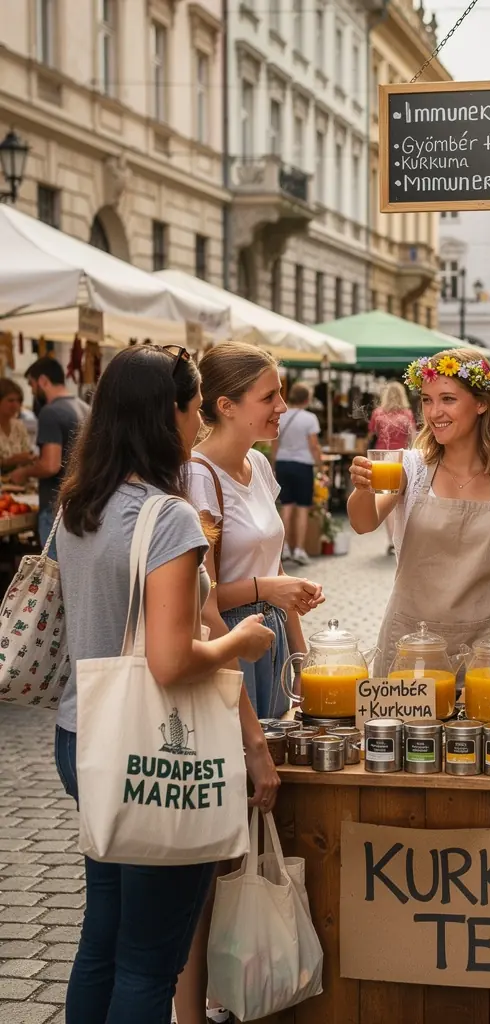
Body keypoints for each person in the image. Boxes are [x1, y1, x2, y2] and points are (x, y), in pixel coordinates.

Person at [52, 345, 277, 1024]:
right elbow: (172, 660)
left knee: (102, 937)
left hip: (83, 734)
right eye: (193, 408)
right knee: (149, 962)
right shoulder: (168, 516)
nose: (197, 422)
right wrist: (241, 642)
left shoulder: (79, 504)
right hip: (153, 748)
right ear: (167, 415)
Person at [348, 348, 490, 665]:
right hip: (410, 647)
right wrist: (362, 489)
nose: (434, 412)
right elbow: (363, 523)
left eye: (448, 399)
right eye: (427, 400)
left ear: (481, 403)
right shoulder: (408, 468)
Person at [187, 342, 325, 722]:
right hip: (227, 638)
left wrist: (301, 658)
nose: (282, 406)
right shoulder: (198, 476)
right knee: (244, 750)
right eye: (269, 397)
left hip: (271, 634)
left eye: (280, 393)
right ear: (226, 406)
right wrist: (268, 588)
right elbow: (201, 598)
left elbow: (273, 566)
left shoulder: (258, 463)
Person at [9, 356, 89, 542]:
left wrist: (23, 472)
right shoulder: (85, 408)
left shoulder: (50, 412)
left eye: (32, 384)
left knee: (52, 561)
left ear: (43, 381)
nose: (32, 391)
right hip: (80, 505)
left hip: (55, 508)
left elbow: (50, 465)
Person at [272, 381, 323, 565]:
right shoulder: (310, 418)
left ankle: (284, 548)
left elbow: (274, 443)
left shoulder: (281, 416)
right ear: (307, 399)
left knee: (286, 506)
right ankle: (299, 550)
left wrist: (273, 465)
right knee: (302, 507)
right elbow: (314, 445)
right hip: (303, 465)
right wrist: (320, 466)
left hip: (283, 463)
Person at [368, 381, 418, 554]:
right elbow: (413, 437)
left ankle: (391, 541)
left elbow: (372, 433)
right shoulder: (407, 414)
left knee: (385, 501)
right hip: (401, 458)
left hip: (381, 458)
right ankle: (401, 537)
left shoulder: (378, 413)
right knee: (402, 501)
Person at [0, 378, 34, 473]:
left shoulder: (19, 426)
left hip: (18, 479)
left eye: (19, 401)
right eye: (10, 400)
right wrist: (8, 462)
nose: (15, 405)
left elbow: (26, 451)